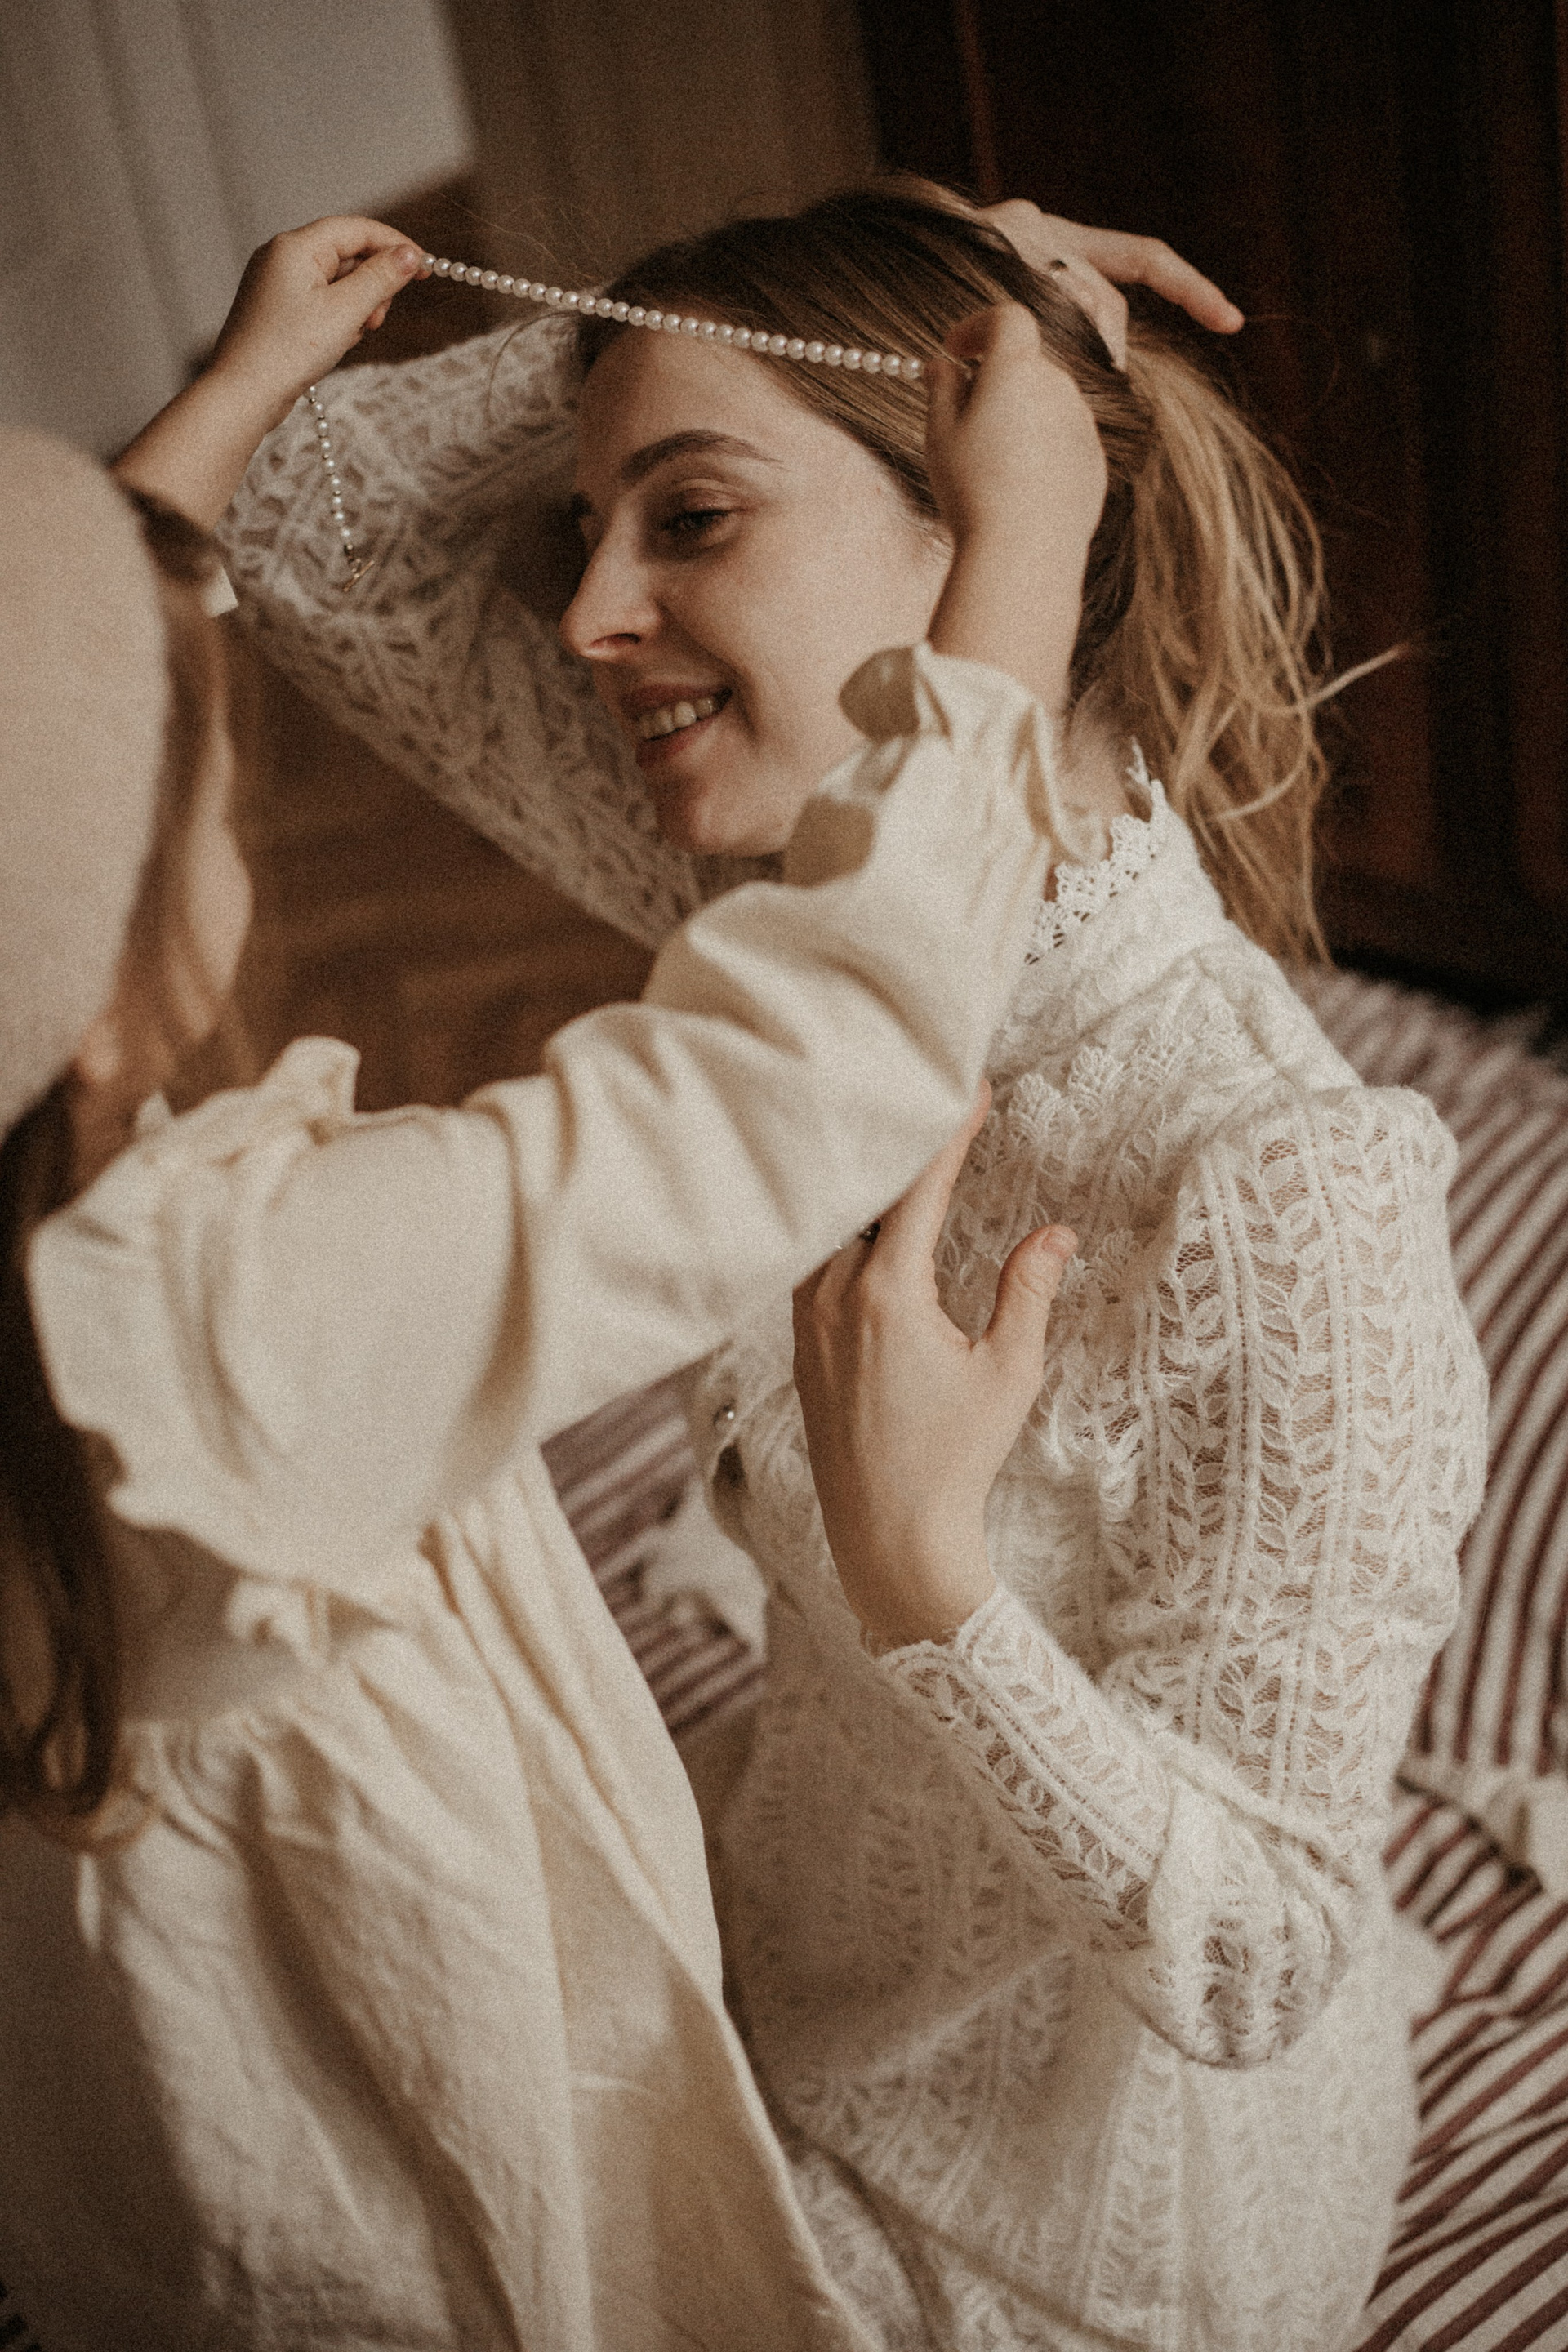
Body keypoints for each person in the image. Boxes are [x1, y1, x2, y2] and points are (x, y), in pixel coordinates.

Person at [180, 185, 1488, 2350]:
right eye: (592, 529)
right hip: (790, 1972)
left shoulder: (1281, 1182)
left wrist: (923, 1581)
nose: (590, 614)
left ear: (986, 528)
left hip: (1066, 2243)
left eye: (690, 520)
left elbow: (1259, 1956)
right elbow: (318, 523)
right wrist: (934, 267)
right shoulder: (785, 932)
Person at [0, 297, 1094, 2350]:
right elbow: (802, 1069)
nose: (596, 614)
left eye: (694, 515)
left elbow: (38, 753)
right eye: (215, 814)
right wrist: (1026, 544)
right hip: (407, 2176)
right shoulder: (255, 1313)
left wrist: (223, 413)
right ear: (117, 998)